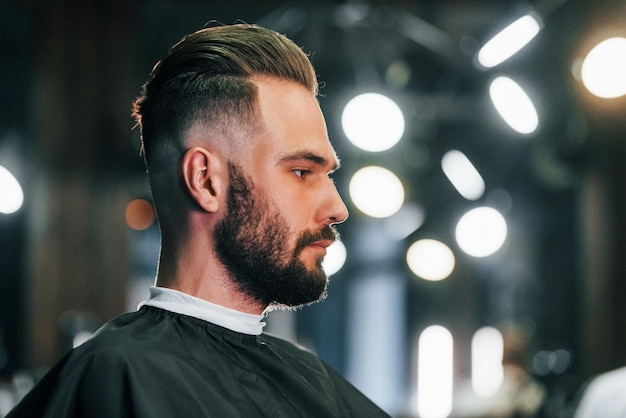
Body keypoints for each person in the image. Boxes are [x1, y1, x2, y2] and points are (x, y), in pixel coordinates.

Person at [7, 23, 390, 417]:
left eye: (328, 175)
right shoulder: (115, 378)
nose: (338, 207)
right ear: (205, 180)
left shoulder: (314, 381)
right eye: (301, 172)